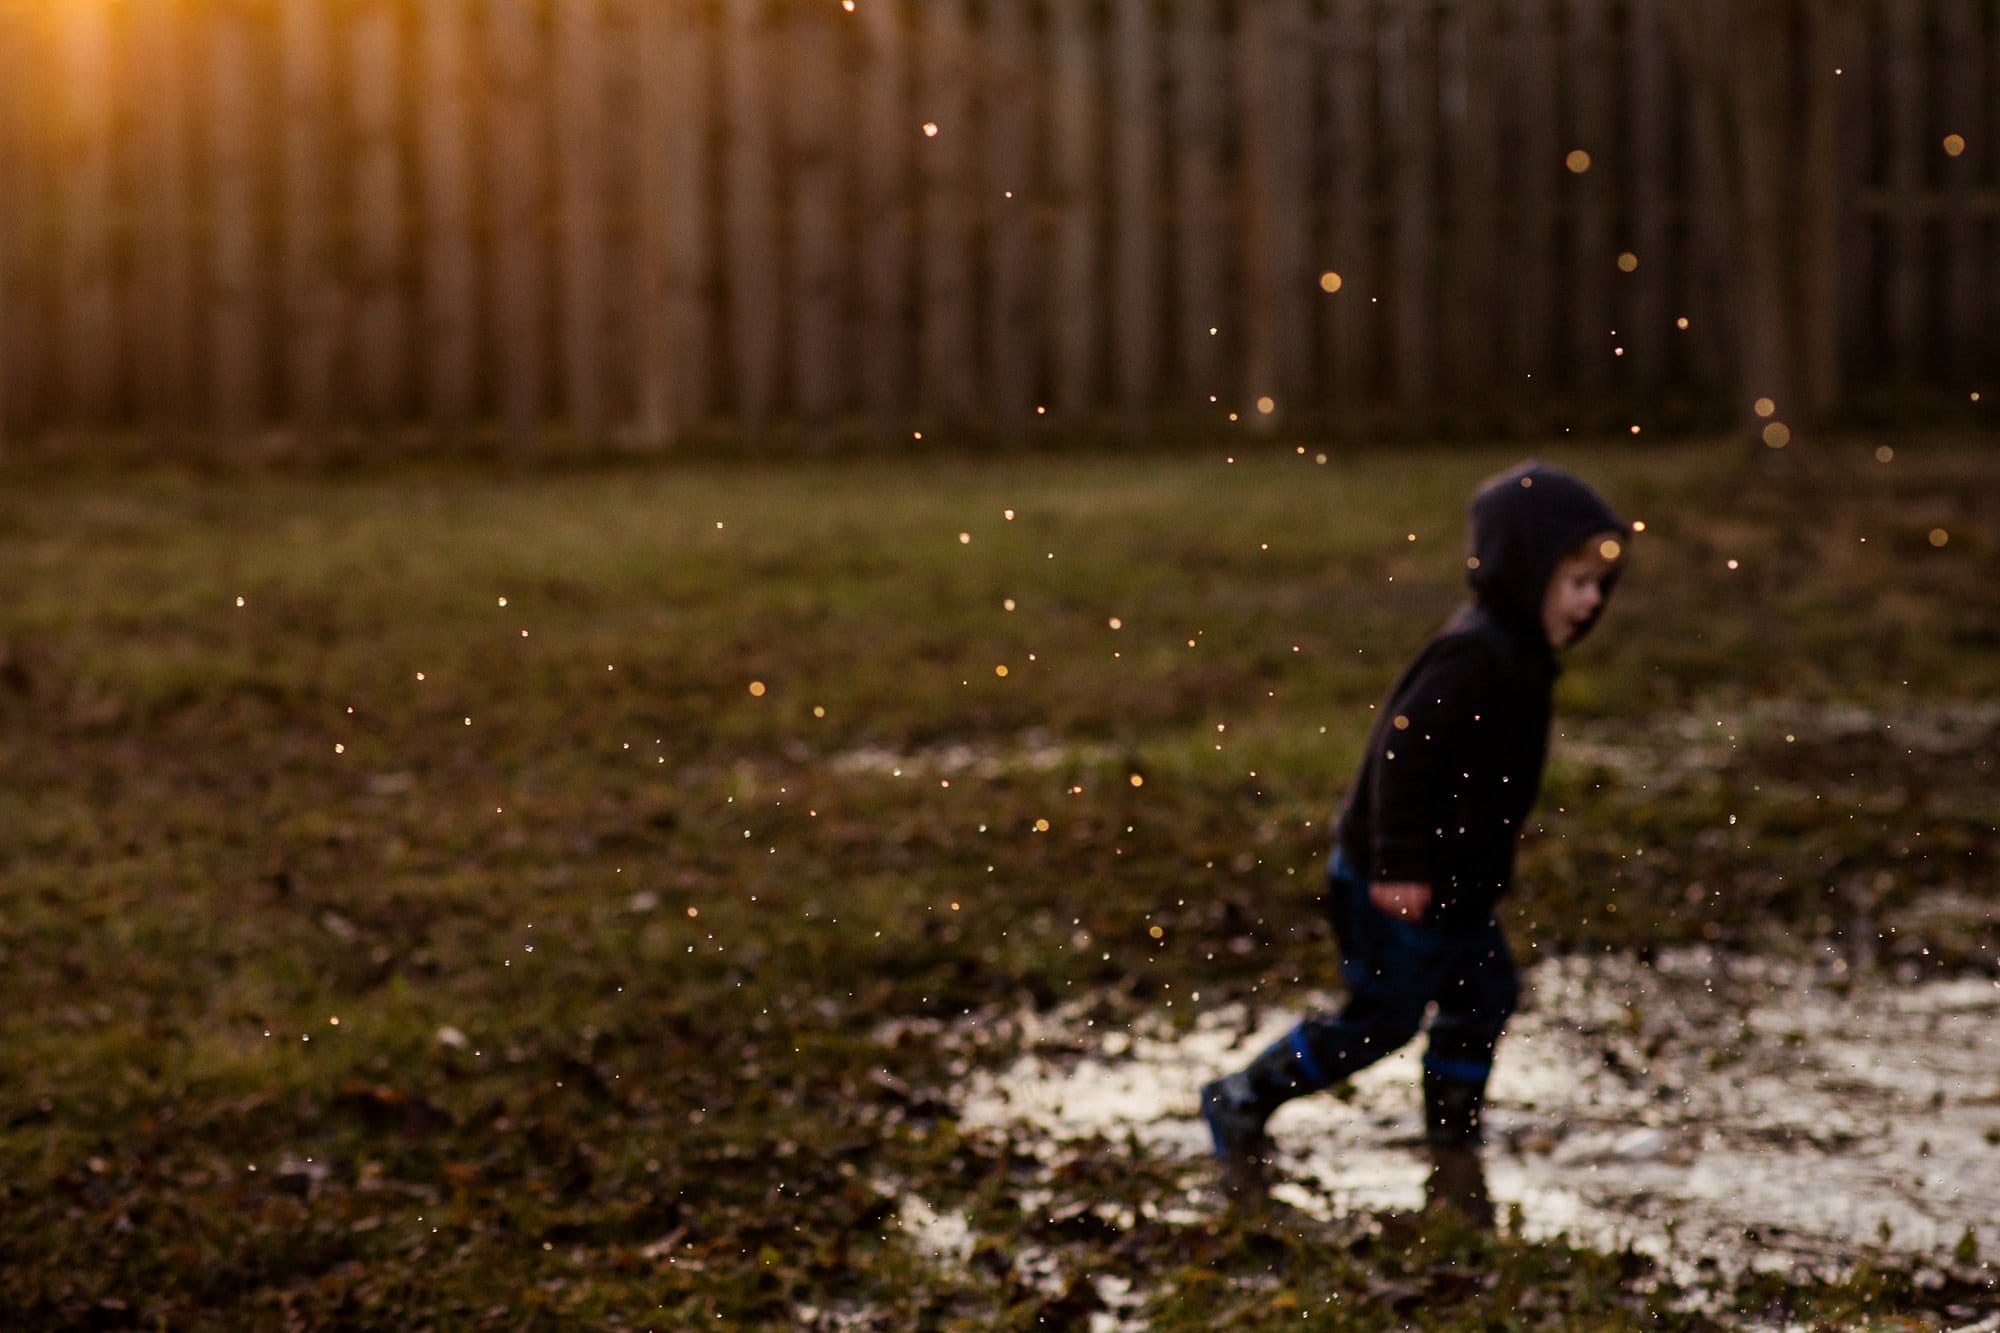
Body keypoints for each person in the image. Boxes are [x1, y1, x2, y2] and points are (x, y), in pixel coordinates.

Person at [1199, 459, 1630, 1200]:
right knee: (1381, 1020)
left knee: (1485, 992)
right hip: (1392, 881)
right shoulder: (1476, 654)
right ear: (1523, 573)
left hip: (1458, 890)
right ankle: (1242, 1094)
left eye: (1598, 585)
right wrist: (1398, 862)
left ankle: (1451, 1125)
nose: (1591, 603)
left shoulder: (1524, 656)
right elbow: (1401, 752)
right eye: (1575, 583)